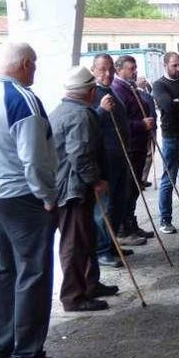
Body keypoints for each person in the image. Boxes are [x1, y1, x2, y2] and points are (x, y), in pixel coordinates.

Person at [0, 42, 69, 358]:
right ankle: (27, 354)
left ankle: (0, 348)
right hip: (22, 197)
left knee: (7, 271)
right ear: (26, 64)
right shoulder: (23, 100)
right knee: (33, 274)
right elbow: (35, 159)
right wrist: (47, 197)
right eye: (36, 64)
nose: (36, 70)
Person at [50, 66, 119, 312]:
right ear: (90, 92)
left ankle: (90, 283)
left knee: (85, 239)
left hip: (70, 186)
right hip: (73, 189)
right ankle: (74, 296)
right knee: (75, 243)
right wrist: (95, 180)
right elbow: (80, 155)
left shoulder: (63, 110)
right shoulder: (80, 115)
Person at [91, 54, 142, 258]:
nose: (108, 73)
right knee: (104, 208)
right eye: (102, 69)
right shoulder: (92, 93)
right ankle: (103, 250)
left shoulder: (112, 90)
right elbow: (87, 123)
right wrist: (101, 110)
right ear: (93, 70)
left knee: (119, 203)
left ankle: (112, 245)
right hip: (105, 159)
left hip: (121, 155)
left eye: (110, 69)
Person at [111, 55, 155, 241]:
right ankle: (123, 228)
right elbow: (119, 123)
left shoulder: (130, 87)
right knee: (129, 189)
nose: (134, 71)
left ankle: (131, 221)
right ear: (119, 69)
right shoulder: (118, 89)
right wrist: (141, 125)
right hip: (129, 146)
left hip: (138, 144)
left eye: (135, 68)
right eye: (130, 68)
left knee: (135, 188)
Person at [151, 51, 179, 234]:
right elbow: (167, 106)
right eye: (174, 65)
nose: (178, 68)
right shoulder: (159, 85)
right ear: (165, 65)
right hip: (172, 136)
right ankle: (165, 220)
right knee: (168, 180)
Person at [136, 77, 156, 189]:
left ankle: (143, 177)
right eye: (141, 80)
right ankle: (141, 178)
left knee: (150, 154)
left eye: (144, 79)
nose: (144, 81)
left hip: (152, 126)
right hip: (146, 127)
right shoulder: (138, 94)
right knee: (148, 153)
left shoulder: (147, 92)